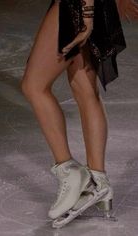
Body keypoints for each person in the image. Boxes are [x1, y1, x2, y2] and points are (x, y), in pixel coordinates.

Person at [20, 0, 138, 228]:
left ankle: (70, 171)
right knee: (85, 90)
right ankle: (98, 179)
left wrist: (86, 15)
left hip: (76, 5)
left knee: (33, 86)